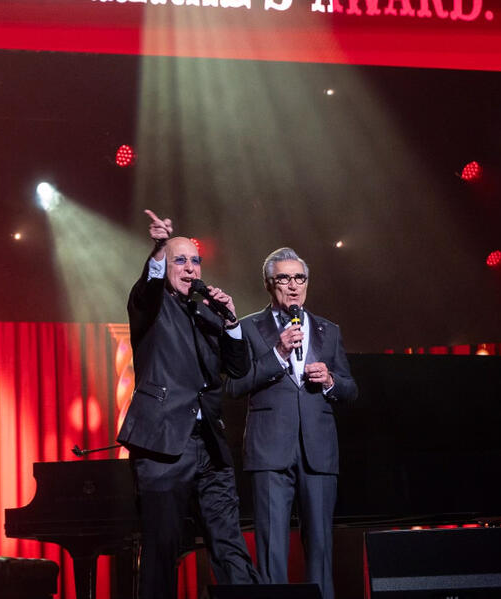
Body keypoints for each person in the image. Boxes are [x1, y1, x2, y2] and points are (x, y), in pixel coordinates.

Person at [117, 211, 258, 599]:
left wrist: (230, 321)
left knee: (229, 545)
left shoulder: (207, 312)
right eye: (181, 260)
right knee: (162, 548)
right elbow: (148, 285)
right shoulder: (150, 306)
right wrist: (160, 247)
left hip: (209, 445)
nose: (190, 267)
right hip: (162, 444)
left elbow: (239, 367)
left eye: (195, 260)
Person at [226, 247, 357, 599]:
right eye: (284, 278)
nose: (294, 286)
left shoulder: (329, 330)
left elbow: (350, 388)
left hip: (318, 450)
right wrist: (278, 354)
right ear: (270, 284)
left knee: (320, 547)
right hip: (270, 451)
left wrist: (329, 380)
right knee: (271, 551)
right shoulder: (249, 328)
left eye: (300, 278)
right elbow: (234, 385)